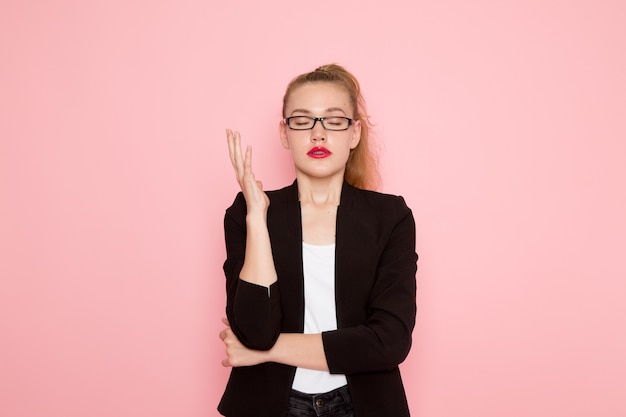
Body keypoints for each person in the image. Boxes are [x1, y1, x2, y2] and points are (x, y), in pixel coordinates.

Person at [218, 64, 418, 417]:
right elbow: (254, 329)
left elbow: (389, 342)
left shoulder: (391, 217)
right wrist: (256, 216)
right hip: (269, 405)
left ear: (354, 133)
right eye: (302, 120)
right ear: (284, 133)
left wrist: (266, 351)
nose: (318, 134)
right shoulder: (246, 213)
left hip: (364, 404)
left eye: (334, 120)